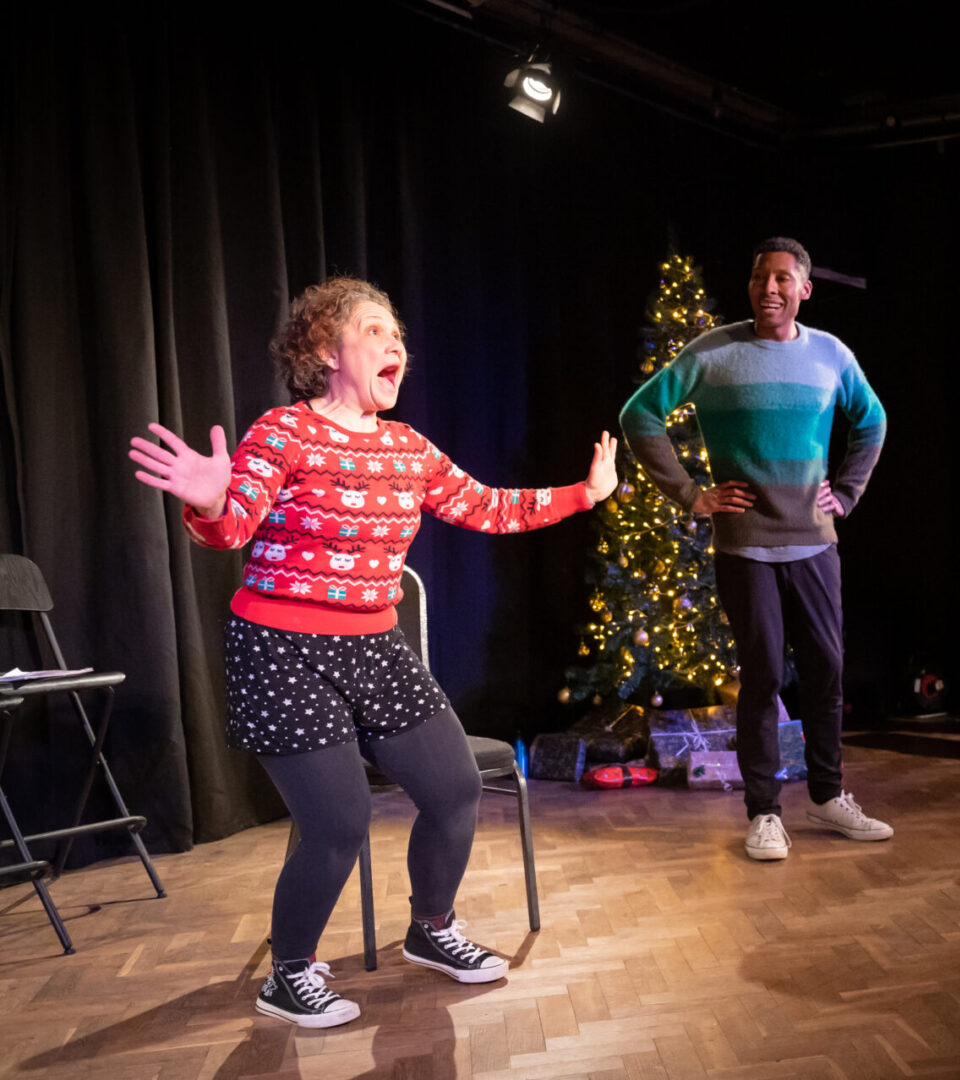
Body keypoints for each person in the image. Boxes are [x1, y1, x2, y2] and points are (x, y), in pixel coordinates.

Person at [128, 277, 617, 1028]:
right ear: (326, 350)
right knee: (338, 822)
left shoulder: (407, 448)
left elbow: (487, 506)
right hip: (281, 649)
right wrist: (209, 499)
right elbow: (230, 530)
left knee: (454, 791)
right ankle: (288, 973)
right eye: (376, 331)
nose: (398, 346)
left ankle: (431, 929)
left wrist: (584, 493)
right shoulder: (281, 432)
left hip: (374, 646)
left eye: (400, 337)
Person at [619, 237, 888, 861]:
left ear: (804, 289)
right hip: (745, 547)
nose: (769, 288)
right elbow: (641, 415)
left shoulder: (831, 354)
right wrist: (691, 494)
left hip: (815, 544)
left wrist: (845, 492)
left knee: (826, 671)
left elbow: (872, 420)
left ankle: (827, 795)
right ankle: (765, 811)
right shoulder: (713, 352)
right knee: (763, 676)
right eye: (760, 278)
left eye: (782, 279)